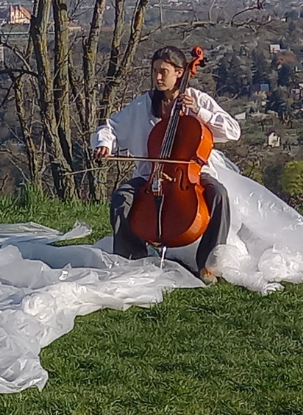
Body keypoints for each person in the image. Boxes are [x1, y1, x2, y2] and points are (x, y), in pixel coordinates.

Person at [91, 46, 241, 283]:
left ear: (180, 73)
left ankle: (209, 264)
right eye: (155, 71)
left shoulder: (198, 99)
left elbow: (233, 131)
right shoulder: (143, 105)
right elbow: (109, 128)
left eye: (164, 72)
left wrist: (199, 112)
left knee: (218, 194)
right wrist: (104, 145)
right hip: (150, 174)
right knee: (121, 198)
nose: (158, 77)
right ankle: (132, 258)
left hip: (191, 175)